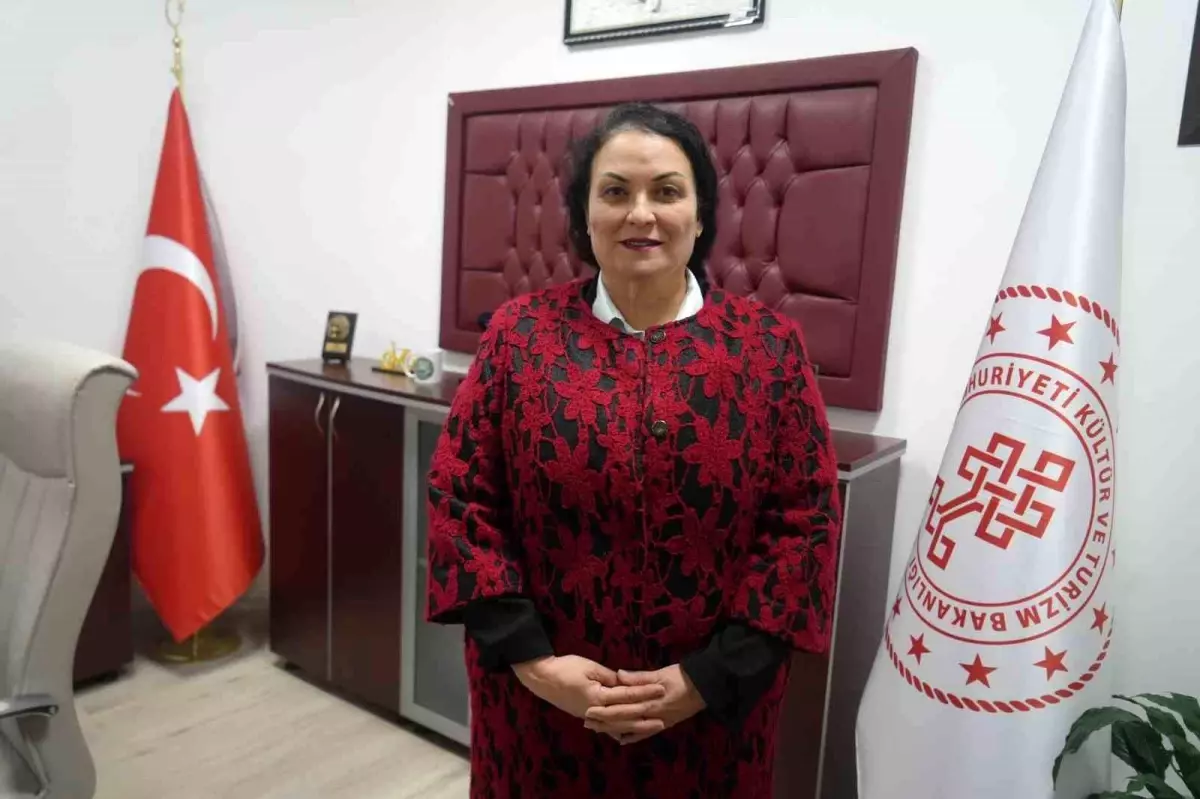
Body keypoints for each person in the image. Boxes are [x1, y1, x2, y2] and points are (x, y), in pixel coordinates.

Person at [425, 102, 843, 798]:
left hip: (710, 721)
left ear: (700, 216)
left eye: (667, 191)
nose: (640, 214)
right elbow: (461, 499)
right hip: (541, 713)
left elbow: (804, 525)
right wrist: (534, 662)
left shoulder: (768, 348)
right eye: (615, 191)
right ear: (585, 216)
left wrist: (705, 679)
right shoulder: (518, 335)